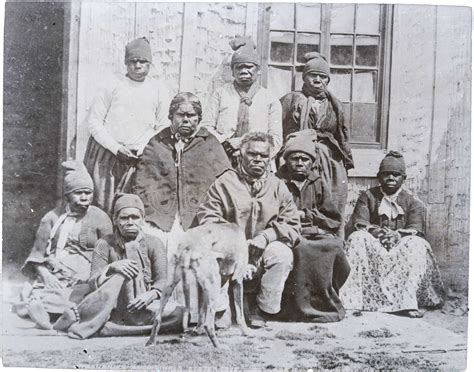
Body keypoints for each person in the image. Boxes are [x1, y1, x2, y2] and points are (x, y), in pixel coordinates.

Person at [197, 132, 301, 328]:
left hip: (259, 250)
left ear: (270, 159)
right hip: (230, 251)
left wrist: (266, 236)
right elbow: (207, 218)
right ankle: (221, 308)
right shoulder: (224, 183)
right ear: (240, 156)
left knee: (282, 255)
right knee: (213, 254)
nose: (258, 160)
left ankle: (260, 308)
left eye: (263, 156)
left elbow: (293, 223)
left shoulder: (278, 186)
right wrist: (234, 241)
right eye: (252, 154)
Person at [53, 194, 185, 338]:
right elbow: (93, 282)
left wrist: (149, 295)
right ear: (115, 220)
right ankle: (102, 321)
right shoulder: (104, 243)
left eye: (135, 217)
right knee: (123, 270)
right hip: (113, 304)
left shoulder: (154, 243)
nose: (130, 222)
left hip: (144, 304)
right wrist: (112, 268)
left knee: (179, 315)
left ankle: (107, 328)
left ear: (143, 220)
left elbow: (163, 280)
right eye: (124, 218)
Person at [340, 151, 445, 317]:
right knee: (357, 238)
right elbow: (360, 221)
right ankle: (353, 300)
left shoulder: (413, 201)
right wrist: (376, 232)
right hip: (375, 248)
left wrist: (398, 235)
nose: (391, 178)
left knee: (417, 244)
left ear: (403, 178)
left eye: (396, 175)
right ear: (379, 177)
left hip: (400, 250)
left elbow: (415, 227)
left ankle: (407, 302)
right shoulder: (367, 196)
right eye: (386, 174)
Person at [14, 161, 113, 329]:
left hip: (88, 274)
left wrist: (95, 274)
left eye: (88, 193)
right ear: (67, 195)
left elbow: (110, 253)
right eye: (78, 193)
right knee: (41, 293)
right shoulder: (51, 218)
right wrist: (46, 275)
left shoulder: (100, 218)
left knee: (90, 294)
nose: (84, 197)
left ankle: (60, 318)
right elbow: (37, 255)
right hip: (57, 274)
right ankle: (46, 317)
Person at [131, 92, 231, 244]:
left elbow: (225, 183)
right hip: (161, 218)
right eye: (180, 115)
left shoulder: (210, 143)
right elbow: (142, 184)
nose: (186, 120)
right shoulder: (158, 142)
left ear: (199, 118)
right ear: (171, 116)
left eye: (191, 115)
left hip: (200, 217)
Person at [84, 37, 168, 214]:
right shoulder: (112, 85)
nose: (137, 65)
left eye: (142, 61)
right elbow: (94, 122)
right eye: (133, 61)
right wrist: (116, 148)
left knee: (132, 209)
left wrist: (143, 148)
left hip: (140, 158)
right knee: (103, 207)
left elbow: (162, 126)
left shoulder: (158, 89)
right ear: (126, 63)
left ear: (150, 64)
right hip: (108, 157)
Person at [276, 136, 350, 323]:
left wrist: (308, 215)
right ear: (286, 160)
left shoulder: (318, 182)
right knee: (302, 249)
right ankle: (297, 308)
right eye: (295, 158)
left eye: (305, 159)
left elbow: (333, 219)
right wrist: (292, 218)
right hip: (287, 233)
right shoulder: (277, 181)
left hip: (314, 232)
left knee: (334, 247)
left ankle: (324, 304)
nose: (300, 163)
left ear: (312, 162)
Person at [280, 52, 354, 236]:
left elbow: (342, 135)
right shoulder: (291, 100)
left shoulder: (334, 104)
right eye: (313, 75)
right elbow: (280, 130)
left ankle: (333, 240)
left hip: (329, 160)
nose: (318, 80)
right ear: (305, 77)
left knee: (331, 197)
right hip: (299, 156)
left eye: (323, 77)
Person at [200, 36, 282, 164]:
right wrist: (225, 143)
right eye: (239, 67)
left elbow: (275, 139)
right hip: (223, 157)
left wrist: (245, 145)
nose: (244, 71)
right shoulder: (221, 93)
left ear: (258, 70)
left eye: (249, 67)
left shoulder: (269, 99)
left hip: (257, 162)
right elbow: (206, 127)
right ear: (232, 71)